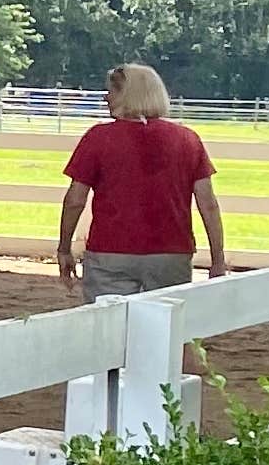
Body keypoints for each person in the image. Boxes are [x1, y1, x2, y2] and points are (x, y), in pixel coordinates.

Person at [57, 62, 225, 300]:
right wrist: (217, 259)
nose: (106, 97)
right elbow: (208, 204)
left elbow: (75, 200)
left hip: (110, 251)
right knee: (165, 327)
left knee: (109, 328)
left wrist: (64, 248)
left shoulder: (98, 138)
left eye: (113, 90)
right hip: (171, 253)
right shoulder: (187, 140)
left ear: (128, 94)